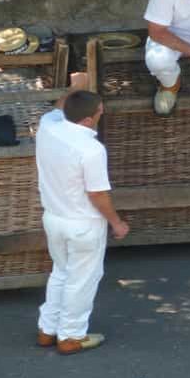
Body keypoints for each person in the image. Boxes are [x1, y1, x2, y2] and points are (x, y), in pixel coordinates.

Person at [35, 90, 130, 355]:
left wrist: (75, 87)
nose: (102, 113)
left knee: (61, 272)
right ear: (88, 120)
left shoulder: (47, 126)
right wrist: (117, 223)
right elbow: (97, 194)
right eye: (100, 111)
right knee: (83, 280)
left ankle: (47, 329)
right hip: (83, 224)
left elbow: (60, 106)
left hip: (53, 217)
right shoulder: (91, 150)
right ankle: (71, 336)